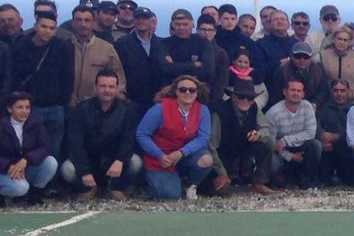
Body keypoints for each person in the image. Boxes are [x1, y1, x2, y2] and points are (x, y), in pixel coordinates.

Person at [135, 76, 216, 200]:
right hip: (160, 158)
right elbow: (142, 134)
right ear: (176, 92)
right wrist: (159, 155)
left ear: (197, 93)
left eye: (192, 90)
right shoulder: (159, 109)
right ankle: (145, 183)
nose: (187, 93)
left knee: (206, 159)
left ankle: (189, 185)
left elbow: (203, 138)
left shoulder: (203, 110)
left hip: (183, 156)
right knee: (170, 196)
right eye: (183, 89)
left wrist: (181, 152)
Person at [63, 68, 140, 198]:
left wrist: (120, 160)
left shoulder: (127, 110)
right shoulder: (80, 110)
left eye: (111, 87)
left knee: (136, 162)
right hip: (89, 160)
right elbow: (75, 143)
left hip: (113, 160)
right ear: (95, 88)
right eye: (103, 86)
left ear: (117, 89)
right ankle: (89, 188)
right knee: (67, 170)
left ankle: (115, 187)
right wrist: (85, 171)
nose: (107, 90)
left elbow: (128, 140)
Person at [9, 11, 73, 161]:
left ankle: (53, 175)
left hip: (55, 107)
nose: (47, 31)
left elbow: (68, 77)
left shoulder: (62, 47)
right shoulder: (21, 46)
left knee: (54, 149)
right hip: (30, 108)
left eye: (51, 28)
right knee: (29, 147)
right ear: (35, 26)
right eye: (44, 26)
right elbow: (15, 77)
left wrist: (61, 102)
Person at [216, 72, 277, 195]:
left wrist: (258, 134)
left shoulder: (254, 107)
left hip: (244, 147)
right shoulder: (220, 111)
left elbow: (265, 128)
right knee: (223, 191)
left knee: (268, 141)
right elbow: (212, 146)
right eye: (241, 96)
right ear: (233, 96)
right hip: (223, 153)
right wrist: (221, 172)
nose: (245, 100)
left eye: (250, 98)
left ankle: (259, 182)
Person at [0, 92, 61, 203]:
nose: (25, 111)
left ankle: (34, 192)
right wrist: (8, 165)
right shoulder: (2, 125)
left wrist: (26, 159)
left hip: (24, 167)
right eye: (20, 107)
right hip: (4, 170)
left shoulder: (35, 123)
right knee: (20, 188)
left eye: (27, 107)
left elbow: (45, 146)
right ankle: (3, 195)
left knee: (50, 162)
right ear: (9, 109)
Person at [264, 77, 322, 189]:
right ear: (284, 92)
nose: (296, 93)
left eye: (299, 91)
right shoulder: (273, 113)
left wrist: (285, 141)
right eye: (292, 90)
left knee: (316, 145)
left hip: (298, 147)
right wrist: (290, 156)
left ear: (303, 94)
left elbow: (310, 133)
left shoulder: (307, 107)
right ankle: (277, 178)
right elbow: (271, 144)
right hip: (280, 152)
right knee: (273, 163)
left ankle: (307, 179)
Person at [65, 3, 126, 106]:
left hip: (96, 107)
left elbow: (119, 79)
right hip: (67, 106)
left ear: (93, 22)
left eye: (87, 20)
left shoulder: (107, 48)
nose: (83, 24)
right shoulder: (64, 46)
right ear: (73, 23)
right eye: (79, 20)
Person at [115, 7, 163, 112]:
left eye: (145, 18)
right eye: (138, 18)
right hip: (131, 101)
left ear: (151, 21)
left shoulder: (161, 43)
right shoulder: (122, 43)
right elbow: (117, 69)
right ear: (133, 20)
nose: (141, 21)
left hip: (156, 101)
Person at [317, 78, 354, 186]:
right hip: (328, 149)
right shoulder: (323, 108)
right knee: (324, 179)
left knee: (353, 182)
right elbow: (317, 125)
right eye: (336, 90)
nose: (339, 94)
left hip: (347, 150)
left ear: (348, 91)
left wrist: (337, 136)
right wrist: (323, 140)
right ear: (331, 92)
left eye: (342, 90)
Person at [318, 25, 354, 102]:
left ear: (350, 42)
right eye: (339, 39)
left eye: (345, 40)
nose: (342, 42)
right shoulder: (322, 55)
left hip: (351, 101)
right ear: (334, 39)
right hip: (328, 101)